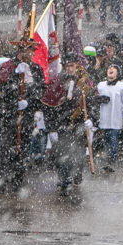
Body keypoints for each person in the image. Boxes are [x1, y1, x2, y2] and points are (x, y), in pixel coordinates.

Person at [0, 39, 46, 191]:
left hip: (26, 116)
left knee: (22, 148)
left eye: (32, 51)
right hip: (9, 114)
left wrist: (29, 101)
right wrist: (15, 78)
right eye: (28, 51)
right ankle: (2, 179)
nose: (31, 54)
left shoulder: (36, 69)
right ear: (21, 51)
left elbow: (41, 89)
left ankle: (17, 178)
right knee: (5, 148)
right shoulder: (9, 66)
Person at [41, 55, 98, 196]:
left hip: (79, 124)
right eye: (67, 66)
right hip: (63, 124)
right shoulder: (59, 82)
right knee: (62, 154)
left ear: (77, 66)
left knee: (77, 154)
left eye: (72, 65)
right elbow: (51, 105)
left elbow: (93, 103)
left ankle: (76, 173)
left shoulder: (86, 82)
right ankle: (64, 180)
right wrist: (51, 127)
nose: (70, 68)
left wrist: (92, 119)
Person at [96, 64, 123, 171]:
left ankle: (112, 160)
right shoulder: (101, 85)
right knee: (106, 140)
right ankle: (108, 159)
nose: (110, 69)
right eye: (109, 68)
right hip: (104, 117)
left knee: (113, 139)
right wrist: (99, 99)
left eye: (114, 68)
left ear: (117, 73)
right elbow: (95, 97)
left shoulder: (121, 86)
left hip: (116, 118)